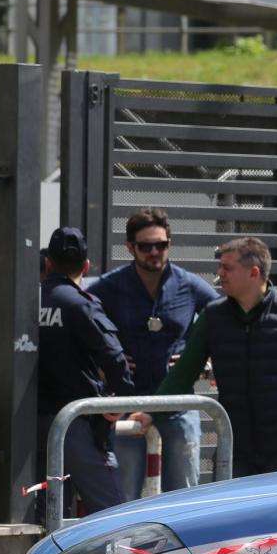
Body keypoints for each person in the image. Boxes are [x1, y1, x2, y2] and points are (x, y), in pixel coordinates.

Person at [149, 237, 277, 477]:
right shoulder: (213, 316)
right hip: (234, 445)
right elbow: (183, 372)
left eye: (228, 268)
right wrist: (151, 411)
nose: (220, 274)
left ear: (254, 272)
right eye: (220, 267)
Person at [92, 208, 219, 499]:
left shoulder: (188, 284)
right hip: (127, 401)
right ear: (130, 248)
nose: (154, 252)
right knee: (122, 495)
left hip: (177, 402)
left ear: (169, 244)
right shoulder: (111, 286)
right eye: (145, 246)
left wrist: (204, 362)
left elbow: (223, 321)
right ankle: (123, 545)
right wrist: (102, 365)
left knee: (184, 493)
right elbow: (81, 324)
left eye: (160, 245)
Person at [37, 227, 135, 516]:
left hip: (29, 427)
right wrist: (120, 400)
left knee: (48, 513)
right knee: (111, 514)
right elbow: (114, 358)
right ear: (86, 266)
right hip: (77, 421)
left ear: (48, 263)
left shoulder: (28, 302)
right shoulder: (82, 304)